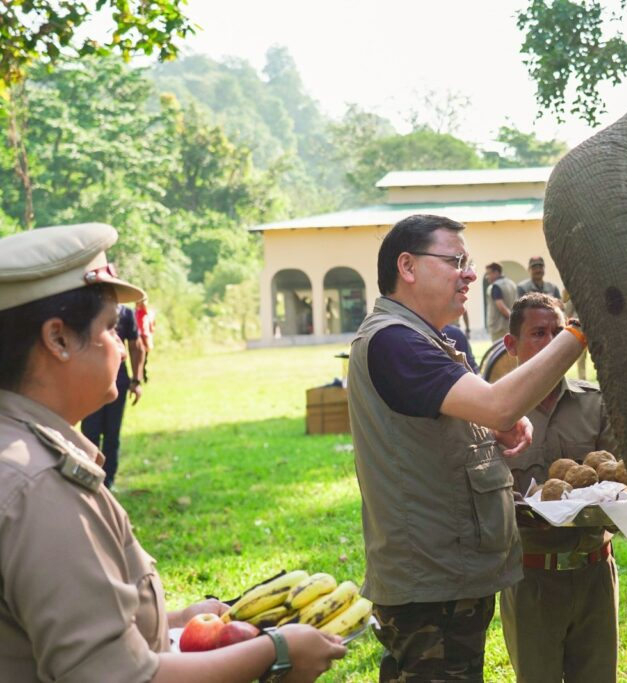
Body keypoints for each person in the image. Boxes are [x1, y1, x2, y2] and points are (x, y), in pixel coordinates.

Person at [0, 223, 347, 683]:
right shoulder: (41, 487)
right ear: (58, 339)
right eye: (108, 329)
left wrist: (173, 621)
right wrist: (276, 652)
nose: (122, 351)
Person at [348, 214, 587, 682]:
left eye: (470, 263)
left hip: (452, 576)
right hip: (428, 589)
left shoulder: (432, 338)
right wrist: (579, 333)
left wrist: (488, 429)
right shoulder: (394, 341)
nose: (471, 274)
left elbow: (472, 412)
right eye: (455, 261)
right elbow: (498, 404)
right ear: (408, 267)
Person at [499, 293, 619, 683]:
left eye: (558, 332)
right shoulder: (493, 411)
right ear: (511, 345)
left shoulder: (594, 404)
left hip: (594, 574)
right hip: (530, 580)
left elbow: (622, 483)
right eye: (538, 333)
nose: (551, 342)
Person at [81, 301, 145, 488]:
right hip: (89, 379)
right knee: (90, 431)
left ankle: (108, 482)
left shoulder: (125, 312)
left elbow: (136, 347)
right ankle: (89, 478)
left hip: (118, 379)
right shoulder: (87, 308)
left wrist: (136, 380)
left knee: (111, 433)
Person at [484, 261, 519, 341]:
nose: (487, 277)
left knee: (500, 352)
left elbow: (502, 308)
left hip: (499, 329)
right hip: (511, 328)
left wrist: (512, 320)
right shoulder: (512, 284)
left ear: (496, 272)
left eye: (488, 273)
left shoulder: (495, 286)